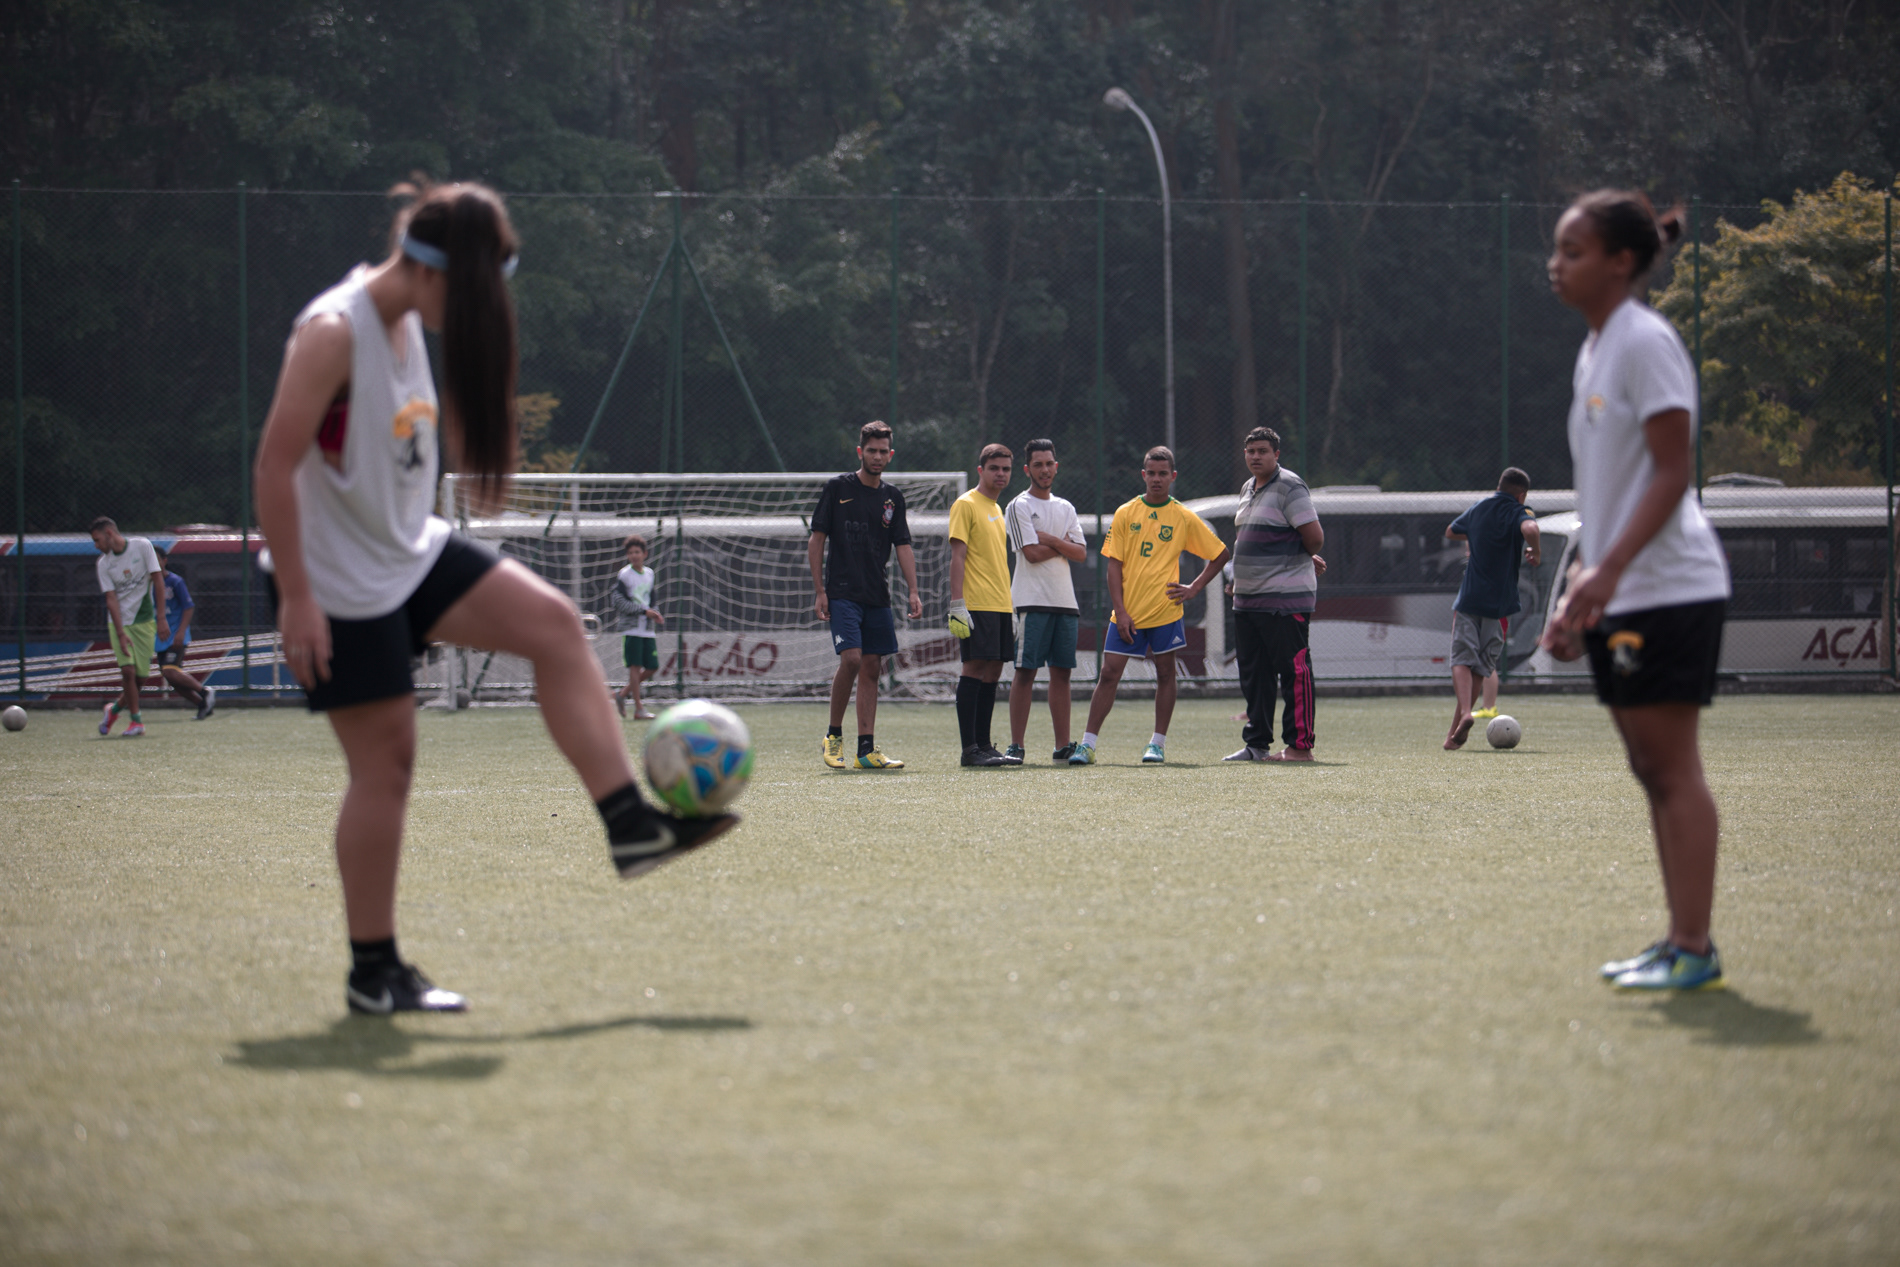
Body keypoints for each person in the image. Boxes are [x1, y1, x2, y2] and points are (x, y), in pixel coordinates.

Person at [253, 181, 734, 1016]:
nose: (479, 312)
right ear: (431, 270)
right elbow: (272, 464)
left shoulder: (406, 319)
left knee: (554, 624)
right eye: (475, 292)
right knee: (386, 766)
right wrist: (296, 594)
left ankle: (631, 825)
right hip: (335, 580)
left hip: (404, 554)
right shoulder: (335, 330)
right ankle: (374, 972)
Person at [1542, 188, 1732, 991]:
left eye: (1573, 251)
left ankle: (1694, 947)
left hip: (1671, 585)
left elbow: (1671, 472)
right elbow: (1609, 493)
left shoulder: (1645, 341)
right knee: (1650, 766)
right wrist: (1578, 588)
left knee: (1672, 767)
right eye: (1556, 249)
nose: (1556, 265)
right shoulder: (1596, 348)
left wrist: (1610, 570)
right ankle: (1677, 939)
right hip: (1624, 587)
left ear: (1622, 261)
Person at [1072, 446, 1230, 765]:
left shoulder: (1183, 516)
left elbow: (1221, 554)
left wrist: (1194, 587)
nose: (1157, 479)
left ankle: (1157, 744)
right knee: (1108, 673)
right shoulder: (1126, 512)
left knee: (1166, 673)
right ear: (1143, 475)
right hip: (1127, 614)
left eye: (1163, 474)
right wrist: (1121, 611)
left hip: (1165, 612)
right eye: (1152, 473)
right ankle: (1087, 745)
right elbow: (1113, 566)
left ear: (1173, 477)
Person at [808, 420, 922, 770]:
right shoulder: (837, 488)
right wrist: (820, 591)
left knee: (873, 666)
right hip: (842, 593)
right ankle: (833, 736)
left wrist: (914, 590)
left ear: (891, 455)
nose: (877, 456)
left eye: (883, 451)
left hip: (878, 595)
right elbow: (816, 540)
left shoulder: (893, 498)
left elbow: (903, 545)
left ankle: (866, 751)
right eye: (871, 450)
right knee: (852, 660)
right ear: (860, 452)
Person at [1222, 427, 1326, 764]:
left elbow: (1314, 539)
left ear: (1276, 455)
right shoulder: (1247, 488)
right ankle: (1257, 745)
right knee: (1256, 676)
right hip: (1248, 600)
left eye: (1262, 451)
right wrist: (1238, 577)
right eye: (1250, 451)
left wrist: (1301, 556)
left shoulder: (1290, 486)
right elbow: (1254, 538)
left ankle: (1300, 747)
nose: (1256, 457)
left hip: (1284, 600)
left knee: (1294, 673)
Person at [1443, 468, 1540, 749]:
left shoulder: (1480, 508)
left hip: (1470, 597)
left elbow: (1451, 531)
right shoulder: (1520, 511)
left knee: (1461, 659)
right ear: (1521, 495)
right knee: (1480, 667)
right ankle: (1453, 736)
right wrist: (1535, 551)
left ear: (1500, 486)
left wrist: (1477, 535)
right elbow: (1531, 529)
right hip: (1500, 606)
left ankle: (1465, 713)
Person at [1003, 439, 1087, 763]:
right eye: (1038, 465)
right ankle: (1016, 745)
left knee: (1062, 674)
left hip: (1065, 602)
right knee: (1025, 672)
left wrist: (1050, 539)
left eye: (1049, 464)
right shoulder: (1018, 506)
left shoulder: (1066, 507)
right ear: (1027, 469)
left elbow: (1080, 553)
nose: (1044, 470)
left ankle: (1062, 745)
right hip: (1031, 601)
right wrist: (1062, 544)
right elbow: (1032, 554)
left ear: (1056, 466)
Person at [947, 444, 1016, 766]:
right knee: (974, 668)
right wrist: (957, 603)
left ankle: (985, 746)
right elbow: (957, 556)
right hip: (976, 602)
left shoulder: (997, 509)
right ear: (981, 470)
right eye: (994, 468)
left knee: (994, 672)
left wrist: (1011, 607)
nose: (1000, 474)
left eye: (1006, 469)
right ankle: (969, 749)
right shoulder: (966, 504)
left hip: (1001, 604)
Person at [89, 516, 167, 738]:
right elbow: (111, 599)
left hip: (145, 622)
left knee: (140, 679)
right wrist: (121, 633)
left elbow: (158, 580)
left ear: (109, 533)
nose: (96, 546)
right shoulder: (103, 564)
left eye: (97, 540)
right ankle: (136, 721)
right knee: (128, 671)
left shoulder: (142, 546)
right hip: (119, 624)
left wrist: (161, 618)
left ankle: (113, 711)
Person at [152, 545, 216, 720]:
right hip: (160, 637)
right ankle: (202, 704)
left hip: (175, 634)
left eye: (156, 560)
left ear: (164, 561)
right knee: (171, 678)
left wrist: (180, 632)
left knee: (170, 671)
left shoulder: (175, 581)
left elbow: (188, 607)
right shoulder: (148, 583)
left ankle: (205, 692)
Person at [609, 534, 664, 720]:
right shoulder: (625, 575)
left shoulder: (649, 574)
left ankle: (622, 694)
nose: (634, 555)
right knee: (635, 666)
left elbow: (651, 599)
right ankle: (639, 709)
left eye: (637, 552)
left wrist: (655, 613)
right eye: (631, 552)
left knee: (653, 666)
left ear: (645, 554)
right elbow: (618, 601)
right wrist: (642, 611)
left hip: (647, 629)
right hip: (631, 628)